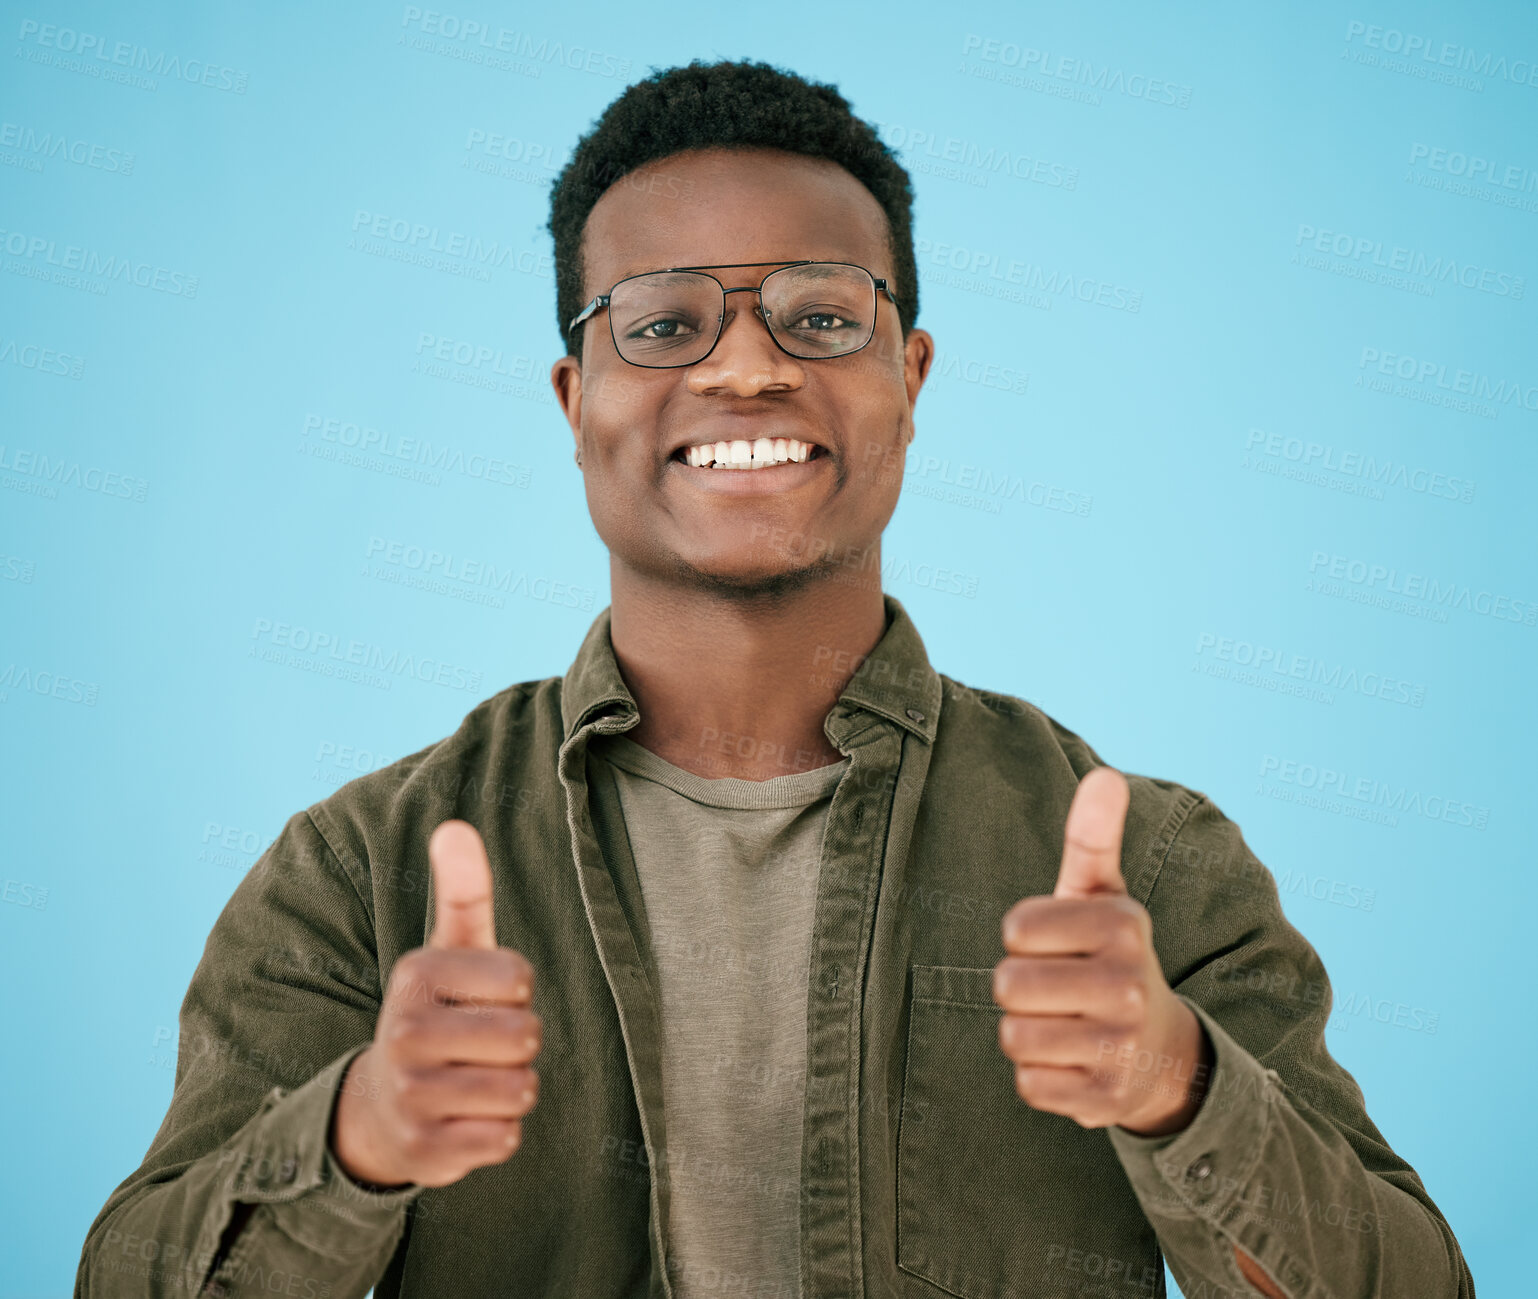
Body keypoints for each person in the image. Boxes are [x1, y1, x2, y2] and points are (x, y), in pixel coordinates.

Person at [76, 59, 1474, 1299]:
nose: (744, 367)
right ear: (576, 405)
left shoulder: (1145, 865)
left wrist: (1176, 1088)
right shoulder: (357, 872)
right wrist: (357, 1140)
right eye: (663, 324)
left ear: (908, 379)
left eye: (817, 317)